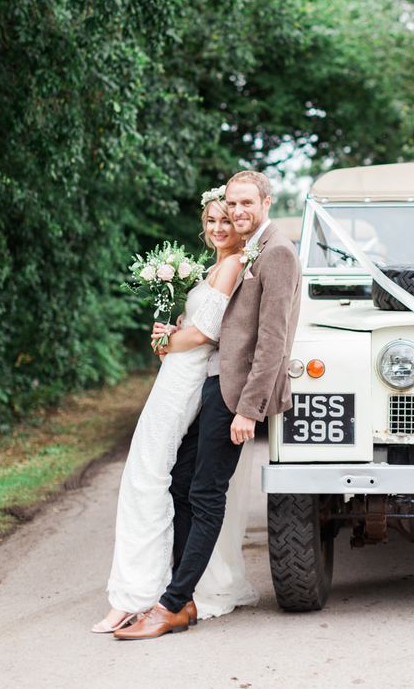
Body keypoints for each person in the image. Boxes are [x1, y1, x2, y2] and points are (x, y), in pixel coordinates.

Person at [114, 170, 302, 640]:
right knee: (181, 482)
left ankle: (173, 605)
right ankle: (186, 592)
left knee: (205, 493)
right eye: (232, 204)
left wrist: (247, 410)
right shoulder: (250, 248)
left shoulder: (276, 252)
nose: (238, 212)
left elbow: (272, 341)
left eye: (245, 204)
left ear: (265, 201)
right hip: (215, 387)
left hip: (235, 395)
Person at [92, 188, 252, 633]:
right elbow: (192, 328)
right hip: (181, 374)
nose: (219, 227)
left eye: (226, 219)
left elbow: (206, 334)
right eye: (211, 221)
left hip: (193, 375)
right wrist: (170, 331)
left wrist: (169, 341)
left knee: (147, 477)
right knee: (155, 478)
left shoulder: (236, 265)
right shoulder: (210, 268)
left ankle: (138, 596)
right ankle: (146, 589)